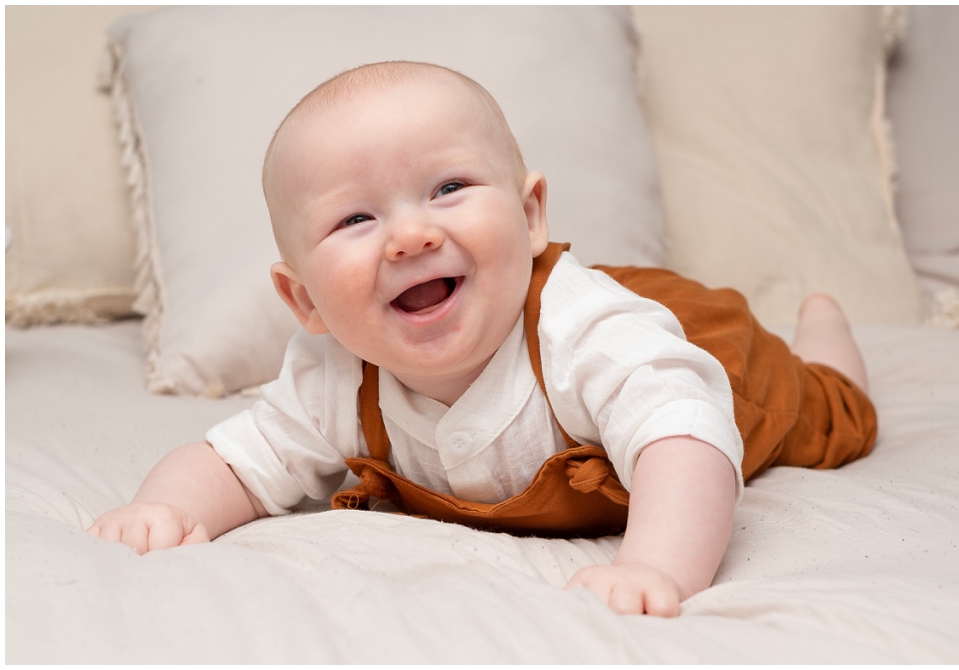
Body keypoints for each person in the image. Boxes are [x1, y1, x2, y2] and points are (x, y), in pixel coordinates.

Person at [87, 61, 877, 618]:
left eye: (449, 187)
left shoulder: (594, 335)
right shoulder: (334, 376)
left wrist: (654, 567)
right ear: (304, 299)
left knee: (829, 415)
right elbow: (234, 462)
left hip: (709, 353)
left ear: (531, 217)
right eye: (356, 219)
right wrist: (163, 508)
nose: (409, 236)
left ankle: (824, 333)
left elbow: (684, 439)